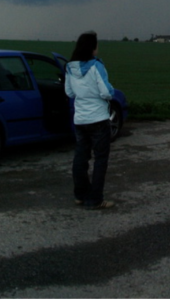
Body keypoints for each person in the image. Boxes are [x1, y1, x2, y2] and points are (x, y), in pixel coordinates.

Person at [64, 31, 117, 210]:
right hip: (99, 120)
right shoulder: (96, 66)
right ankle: (95, 199)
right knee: (100, 159)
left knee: (81, 158)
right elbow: (107, 92)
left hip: (80, 120)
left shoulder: (70, 67)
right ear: (92, 47)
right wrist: (111, 93)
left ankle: (80, 195)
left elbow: (69, 93)